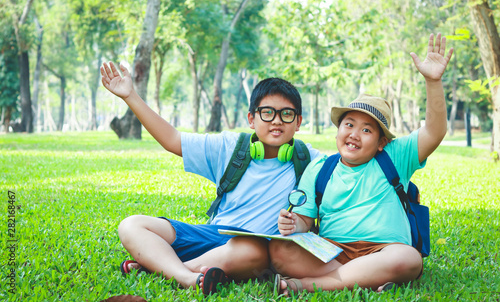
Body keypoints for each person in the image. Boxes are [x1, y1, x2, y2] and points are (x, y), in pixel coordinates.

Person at [99, 64, 321, 295]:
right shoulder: (230, 147)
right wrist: (130, 96)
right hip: (212, 233)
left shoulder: (311, 161)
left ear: (298, 121)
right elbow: (173, 139)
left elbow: (351, 164)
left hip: (252, 248)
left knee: (252, 250)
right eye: (267, 112)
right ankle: (187, 277)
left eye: (286, 114)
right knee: (131, 225)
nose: (277, 121)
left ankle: (160, 268)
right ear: (251, 119)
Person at [270, 33, 453, 295]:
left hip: (384, 250)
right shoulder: (321, 168)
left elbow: (434, 132)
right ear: (338, 131)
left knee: (408, 259)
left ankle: (311, 285)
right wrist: (293, 225)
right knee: (279, 249)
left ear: (381, 142)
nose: (354, 134)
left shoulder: (394, 157)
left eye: (367, 130)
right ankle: (366, 277)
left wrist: (432, 81)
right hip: (332, 252)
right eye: (349, 124)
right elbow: (305, 221)